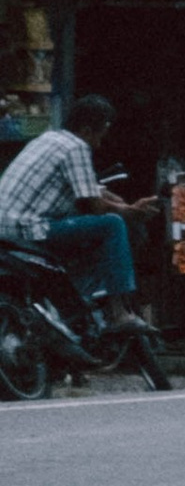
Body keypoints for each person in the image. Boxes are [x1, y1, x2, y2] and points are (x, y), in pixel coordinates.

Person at [0, 93, 150, 319]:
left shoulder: (47, 138)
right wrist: (130, 212)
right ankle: (120, 313)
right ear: (87, 130)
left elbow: (90, 187)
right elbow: (95, 206)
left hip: (7, 227)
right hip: (29, 229)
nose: (99, 144)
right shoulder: (76, 147)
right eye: (99, 136)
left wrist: (119, 201)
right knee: (113, 224)